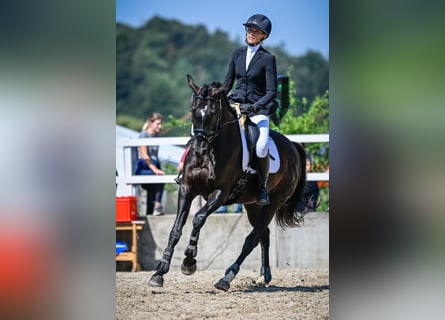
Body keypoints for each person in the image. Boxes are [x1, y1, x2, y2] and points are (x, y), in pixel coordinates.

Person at [223, 14, 278, 205]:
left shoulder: (268, 59)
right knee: (209, 128)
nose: (251, 33)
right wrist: (216, 95)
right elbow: (228, 82)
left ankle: (262, 187)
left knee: (261, 146)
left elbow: (271, 92)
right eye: (249, 29)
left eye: (256, 31)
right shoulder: (236, 54)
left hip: (257, 111)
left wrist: (254, 106)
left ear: (264, 36)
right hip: (236, 107)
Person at [134, 113, 165, 216]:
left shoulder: (157, 136)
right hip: (143, 166)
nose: (160, 126)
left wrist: (157, 167)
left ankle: (151, 213)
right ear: (150, 123)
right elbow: (144, 155)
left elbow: (155, 156)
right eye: (158, 124)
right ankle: (157, 205)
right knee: (157, 179)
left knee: (154, 186)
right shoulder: (144, 135)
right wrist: (155, 169)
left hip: (153, 165)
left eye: (161, 124)